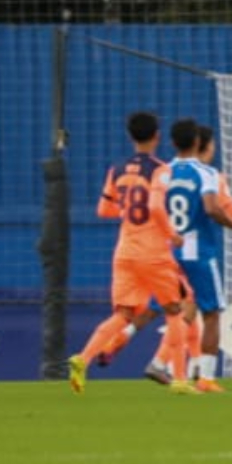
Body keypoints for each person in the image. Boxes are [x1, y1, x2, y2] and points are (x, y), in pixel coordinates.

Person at [69, 112, 196, 395]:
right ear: (157, 136)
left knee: (123, 314)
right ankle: (179, 379)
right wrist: (171, 234)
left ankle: (82, 358)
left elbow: (103, 210)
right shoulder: (160, 169)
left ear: (130, 136)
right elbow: (155, 207)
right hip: (153, 253)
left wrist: (127, 210)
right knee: (176, 311)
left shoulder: (116, 169)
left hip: (125, 251)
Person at [163, 121, 232, 392]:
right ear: (198, 143)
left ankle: (168, 366)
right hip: (198, 251)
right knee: (212, 313)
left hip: (171, 249)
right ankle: (206, 377)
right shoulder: (207, 173)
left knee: (182, 311)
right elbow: (212, 208)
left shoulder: (163, 172)